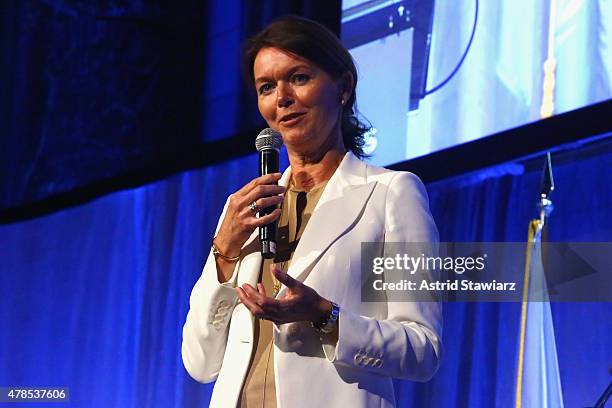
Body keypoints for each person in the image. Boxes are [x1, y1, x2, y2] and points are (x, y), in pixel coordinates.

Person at [182, 15, 442, 408]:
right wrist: (224, 250)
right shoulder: (243, 211)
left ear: (343, 87)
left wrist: (325, 315)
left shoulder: (390, 194)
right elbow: (200, 364)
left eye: (299, 78)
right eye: (266, 87)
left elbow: (422, 349)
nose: (282, 97)